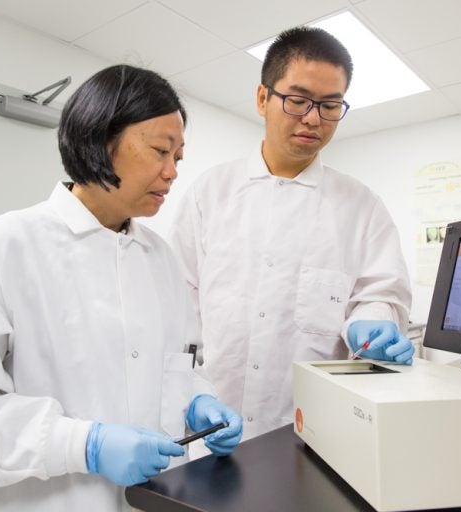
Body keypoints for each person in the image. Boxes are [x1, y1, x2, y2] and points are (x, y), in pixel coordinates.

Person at [0, 64, 243, 512]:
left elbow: (178, 365)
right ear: (98, 140)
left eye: (178, 158)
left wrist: (198, 399)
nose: (172, 172)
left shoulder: (162, 259)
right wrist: (82, 444)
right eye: (159, 151)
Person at [169, 27, 414, 442]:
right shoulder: (209, 194)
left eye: (330, 105)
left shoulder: (361, 207)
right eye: (298, 101)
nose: (313, 119)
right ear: (263, 98)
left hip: (315, 435)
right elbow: (177, 306)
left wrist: (372, 324)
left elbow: (380, 295)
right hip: (211, 430)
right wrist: (189, 396)